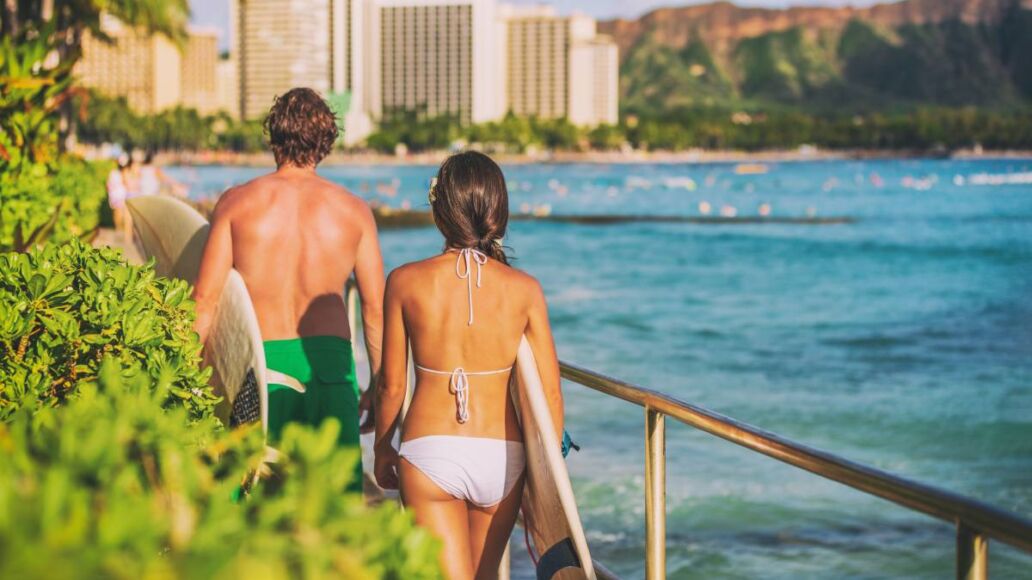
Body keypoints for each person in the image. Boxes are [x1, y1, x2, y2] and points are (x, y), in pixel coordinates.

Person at [373, 151, 564, 579]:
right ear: (499, 212)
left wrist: (382, 447)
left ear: (440, 210)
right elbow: (550, 394)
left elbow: (391, 385)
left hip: (429, 454)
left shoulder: (404, 281)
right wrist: (546, 482)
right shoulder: (525, 290)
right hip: (503, 457)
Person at [192, 88, 385, 485]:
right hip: (328, 368)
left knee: (255, 499)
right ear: (326, 143)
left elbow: (205, 301)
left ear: (273, 137)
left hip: (259, 366)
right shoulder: (354, 212)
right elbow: (374, 311)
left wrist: (190, 379)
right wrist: (380, 386)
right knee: (329, 507)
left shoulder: (236, 204)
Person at [106, 155, 132, 243]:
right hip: (119, 197)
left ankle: (123, 234)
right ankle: (122, 234)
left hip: (121, 197)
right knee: (121, 216)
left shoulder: (114, 173)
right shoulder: (117, 173)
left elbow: (108, 185)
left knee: (122, 216)